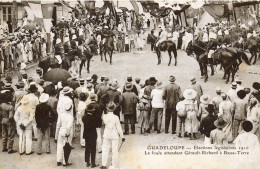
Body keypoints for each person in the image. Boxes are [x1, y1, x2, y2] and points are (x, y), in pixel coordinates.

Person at [101, 102, 125, 169]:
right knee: (115, 151)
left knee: (105, 149)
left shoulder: (104, 116)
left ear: (107, 108)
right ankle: (114, 165)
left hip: (106, 135)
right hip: (114, 135)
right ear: (114, 109)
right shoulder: (116, 117)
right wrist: (122, 136)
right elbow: (119, 128)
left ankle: (103, 165)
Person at [55, 99, 74, 166]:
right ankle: (65, 161)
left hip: (61, 132)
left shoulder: (61, 115)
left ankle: (58, 160)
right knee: (66, 147)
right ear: (71, 109)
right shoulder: (70, 117)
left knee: (59, 146)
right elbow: (69, 127)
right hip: (67, 133)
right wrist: (67, 133)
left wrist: (56, 135)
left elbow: (58, 125)